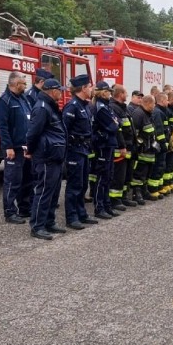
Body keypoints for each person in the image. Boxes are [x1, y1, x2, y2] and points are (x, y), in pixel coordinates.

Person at [25, 78, 67, 240]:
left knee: (53, 191)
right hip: (46, 156)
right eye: (59, 90)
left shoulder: (50, 106)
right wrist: (30, 150)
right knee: (43, 191)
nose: (61, 93)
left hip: (54, 155)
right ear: (51, 91)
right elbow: (33, 133)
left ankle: (49, 222)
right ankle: (37, 226)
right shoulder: (42, 108)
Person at [0, 71, 31, 223]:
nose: (25, 86)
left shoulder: (23, 99)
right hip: (13, 149)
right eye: (23, 83)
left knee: (26, 180)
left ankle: (24, 208)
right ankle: (9, 212)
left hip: (25, 147)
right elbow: (1, 126)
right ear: (15, 84)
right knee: (12, 181)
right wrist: (7, 146)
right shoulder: (4, 101)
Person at [62, 74, 98, 230]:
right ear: (83, 88)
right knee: (74, 185)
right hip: (74, 151)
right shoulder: (72, 107)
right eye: (89, 86)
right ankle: (72, 217)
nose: (91, 89)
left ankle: (81, 214)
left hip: (84, 150)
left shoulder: (84, 105)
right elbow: (65, 131)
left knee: (83, 184)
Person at [91, 81, 121, 219]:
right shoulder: (101, 107)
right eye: (108, 91)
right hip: (103, 145)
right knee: (102, 177)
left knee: (108, 176)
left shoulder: (106, 106)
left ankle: (106, 204)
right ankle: (99, 207)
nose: (110, 93)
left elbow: (117, 122)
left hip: (109, 144)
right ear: (103, 92)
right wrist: (115, 122)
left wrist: (115, 122)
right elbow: (113, 126)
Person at [108, 84, 136, 210]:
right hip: (120, 148)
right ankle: (115, 200)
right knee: (118, 175)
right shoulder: (114, 108)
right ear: (120, 94)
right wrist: (122, 146)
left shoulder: (123, 108)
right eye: (125, 93)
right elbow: (117, 130)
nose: (127, 95)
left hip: (128, 146)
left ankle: (123, 196)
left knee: (126, 174)